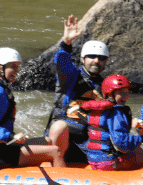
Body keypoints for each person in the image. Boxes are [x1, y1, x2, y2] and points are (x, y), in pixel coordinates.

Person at [0, 47, 66, 170]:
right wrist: (10, 137)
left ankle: (51, 167)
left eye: (18, 66)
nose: (17, 70)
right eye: (13, 66)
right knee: (55, 151)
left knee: (47, 141)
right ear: (0, 68)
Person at [46, 14, 109, 163]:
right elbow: (62, 62)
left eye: (101, 58)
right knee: (60, 126)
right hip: (65, 133)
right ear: (82, 59)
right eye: (92, 56)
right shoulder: (71, 77)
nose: (96, 61)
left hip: (87, 137)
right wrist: (66, 43)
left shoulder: (106, 86)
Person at [82, 75, 143, 171]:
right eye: (121, 93)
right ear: (110, 94)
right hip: (110, 162)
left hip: (94, 161)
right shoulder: (116, 112)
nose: (125, 97)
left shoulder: (95, 110)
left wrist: (132, 123)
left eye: (127, 93)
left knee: (137, 148)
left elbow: (108, 128)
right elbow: (121, 142)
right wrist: (142, 138)